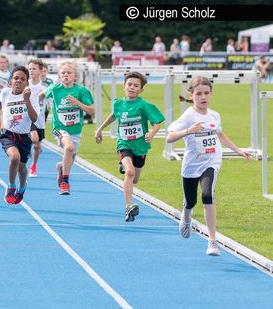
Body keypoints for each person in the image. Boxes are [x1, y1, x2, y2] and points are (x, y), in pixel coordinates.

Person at [166, 76, 252, 255]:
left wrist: (239, 150)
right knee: (191, 201)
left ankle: (212, 241)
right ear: (192, 95)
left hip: (211, 161)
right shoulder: (189, 115)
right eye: (199, 94)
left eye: (206, 93)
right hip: (191, 164)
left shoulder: (215, 115)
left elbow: (220, 135)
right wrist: (189, 130)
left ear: (211, 94)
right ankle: (187, 213)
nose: (203, 97)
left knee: (207, 195)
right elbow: (169, 137)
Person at [94, 72, 164, 222]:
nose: (132, 87)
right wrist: (100, 129)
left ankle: (126, 167)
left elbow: (158, 121)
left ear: (141, 90)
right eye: (129, 84)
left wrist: (151, 133)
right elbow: (114, 115)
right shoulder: (118, 103)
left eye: (136, 85)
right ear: (124, 86)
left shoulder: (145, 105)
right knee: (130, 172)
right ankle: (129, 206)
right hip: (124, 144)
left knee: (135, 179)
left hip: (140, 146)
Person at [0, 66, 39, 204]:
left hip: (24, 137)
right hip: (8, 134)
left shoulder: (31, 96)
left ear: (27, 83)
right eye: (16, 78)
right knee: (14, 158)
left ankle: (22, 187)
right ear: (10, 81)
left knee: (22, 167)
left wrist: (26, 100)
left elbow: (34, 118)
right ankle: (11, 186)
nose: (19, 81)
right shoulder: (5, 93)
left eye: (23, 79)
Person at [42, 61, 94, 195]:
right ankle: (65, 182)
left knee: (71, 158)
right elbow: (40, 95)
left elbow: (93, 111)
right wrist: (42, 103)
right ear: (59, 75)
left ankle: (61, 169)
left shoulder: (81, 91)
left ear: (75, 76)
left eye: (69, 72)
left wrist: (78, 103)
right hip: (59, 128)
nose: (66, 75)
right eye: (63, 72)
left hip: (76, 129)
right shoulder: (55, 89)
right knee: (69, 148)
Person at [27, 59, 47, 177]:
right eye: (30, 69)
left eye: (34, 69)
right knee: (34, 140)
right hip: (27, 118)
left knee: (36, 145)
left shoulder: (45, 87)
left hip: (40, 120)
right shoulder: (25, 85)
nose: (31, 71)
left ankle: (33, 165)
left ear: (40, 71)